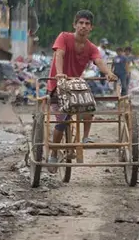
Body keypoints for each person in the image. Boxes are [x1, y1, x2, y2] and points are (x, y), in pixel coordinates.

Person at [48, 10, 117, 171]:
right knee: (62, 120)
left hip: (75, 86)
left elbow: (99, 61)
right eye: (81, 23)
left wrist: (108, 73)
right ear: (75, 25)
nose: (83, 26)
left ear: (91, 28)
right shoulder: (64, 37)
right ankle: (53, 154)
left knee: (89, 104)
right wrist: (59, 74)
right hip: (57, 85)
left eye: (87, 24)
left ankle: (86, 137)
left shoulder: (91, 47)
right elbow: (59, 54)